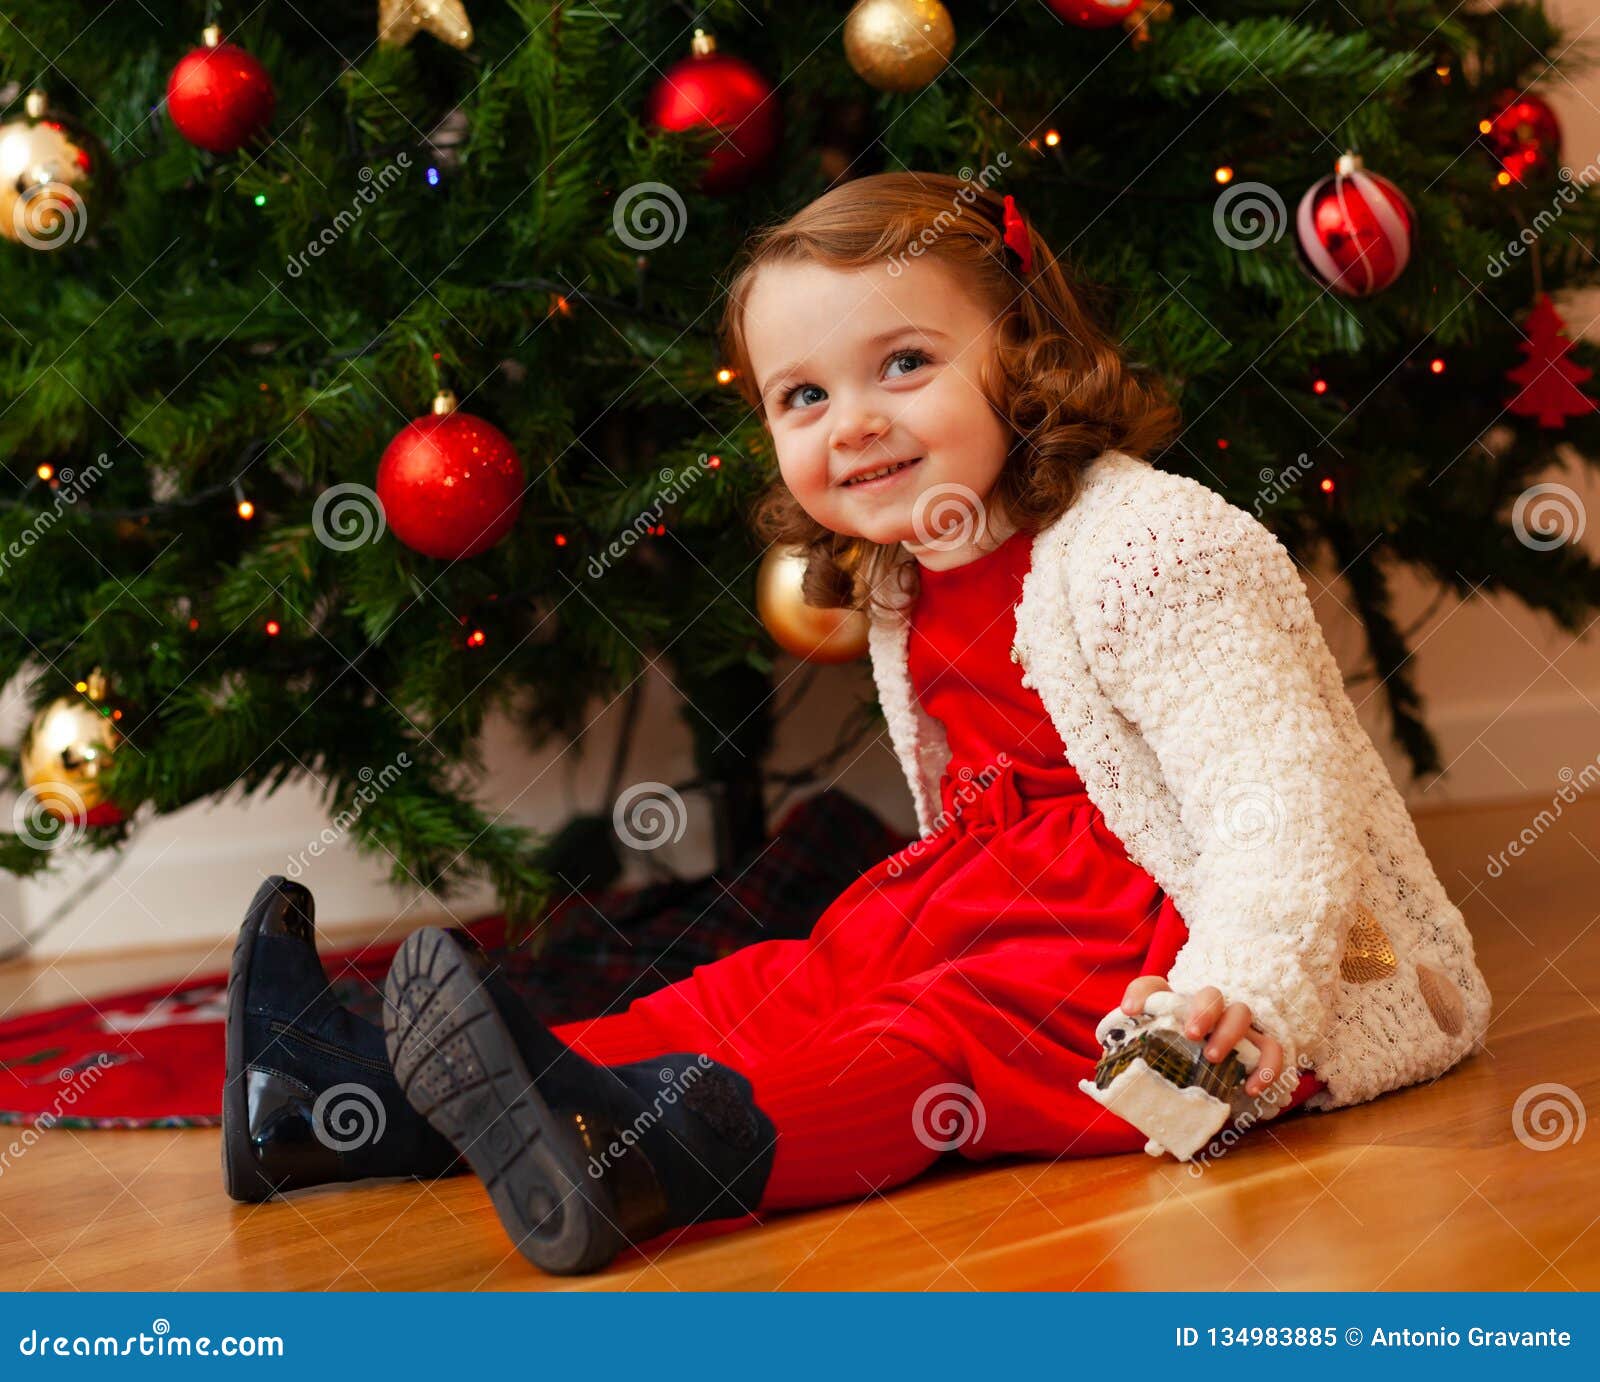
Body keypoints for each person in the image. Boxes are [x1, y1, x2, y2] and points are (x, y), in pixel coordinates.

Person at [222, 171, 1492, 1275]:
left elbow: (1278, 801)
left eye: (904, 363)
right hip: (997, 894)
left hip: (1176, 945)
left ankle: (651, 1153)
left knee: (933, 1040)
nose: (856, 421)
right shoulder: (909, 569)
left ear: (1025, 355)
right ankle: (346, 1099)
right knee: (773, 983)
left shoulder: (1155, 544)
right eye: (802, 397)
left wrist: (1242, 989)